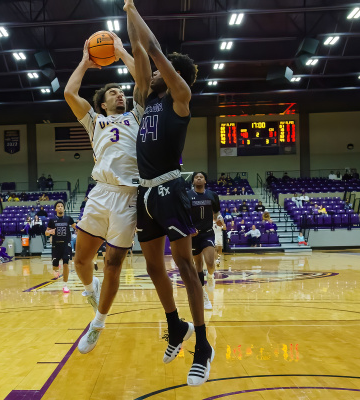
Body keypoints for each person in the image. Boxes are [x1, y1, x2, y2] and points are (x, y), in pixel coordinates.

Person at [125, 0, 213, 386]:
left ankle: (204, 344)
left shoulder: (180, 98)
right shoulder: (146, 99)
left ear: (177, 75)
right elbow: (141, 50)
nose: (155, 74)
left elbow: (155, 50)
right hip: (145, 195)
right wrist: (128, 13)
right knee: (152, 266)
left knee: (185, 267)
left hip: (171, 188)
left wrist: (133, 8)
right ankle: (175, 325)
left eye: (165, 71)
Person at [64, 26, 147, 356]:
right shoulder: (94, 121)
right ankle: (89, 289)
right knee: (81, 260)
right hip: (100, 193)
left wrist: (121, 51)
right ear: (101, 102)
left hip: (128, 197)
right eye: (113, 93)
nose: (120, 95)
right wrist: (85, 61)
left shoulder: (136, 115)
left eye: (120, 92)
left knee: (114, 263)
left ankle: (98, 323)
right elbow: (70, 94)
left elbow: (142, 80)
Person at [187, 172, 225, 310]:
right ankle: (204, 296)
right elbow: (184, 215)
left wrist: (220, 219)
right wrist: (189, 229)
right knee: (197, 265)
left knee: (210, 262)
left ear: (205, 181)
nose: (198, 178)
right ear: (193, 181)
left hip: (207, 233)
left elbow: (216, 213)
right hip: (193, 235)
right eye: (196, 177)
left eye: (201, 177)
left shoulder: (212, 195)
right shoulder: (187, 195)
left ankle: (210, 276)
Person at [45, 200, 76, 293]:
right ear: (55, 209)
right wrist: (49, 232)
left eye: (61, 206)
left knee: (66, 264)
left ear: (64, 208)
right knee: (55, 268)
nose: (60, 207)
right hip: (56, 245)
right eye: (58, 206)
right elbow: (46, 233)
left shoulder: (68, 219)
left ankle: (65, 285)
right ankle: (56, 266)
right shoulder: (52, 220)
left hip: (66, 244)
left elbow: (76, 227)